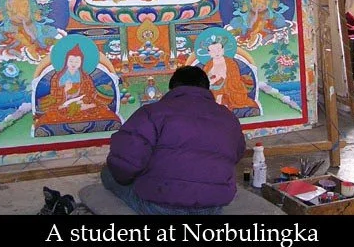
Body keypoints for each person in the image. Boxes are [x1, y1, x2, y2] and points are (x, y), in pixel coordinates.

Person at [102, 65, 246, 214]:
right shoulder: (228, 117)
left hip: (160, 205)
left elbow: (125, 161)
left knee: (108, 173)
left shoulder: (152, 112)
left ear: (173, 88)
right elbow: (237, 153)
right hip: (212, 206)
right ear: (206, 88)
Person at [203, 35, 260, 116]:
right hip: (214, 90)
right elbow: (205, 81)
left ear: (223, 50)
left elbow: (235, 79)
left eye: (219, 49)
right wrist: (215, 81)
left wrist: (224, 82)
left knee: (236, 98)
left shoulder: (231, 63)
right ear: (209, 53)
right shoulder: (208, 66)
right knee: (214, 98)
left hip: (232, 89)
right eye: (213, 51)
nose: (217, 53)